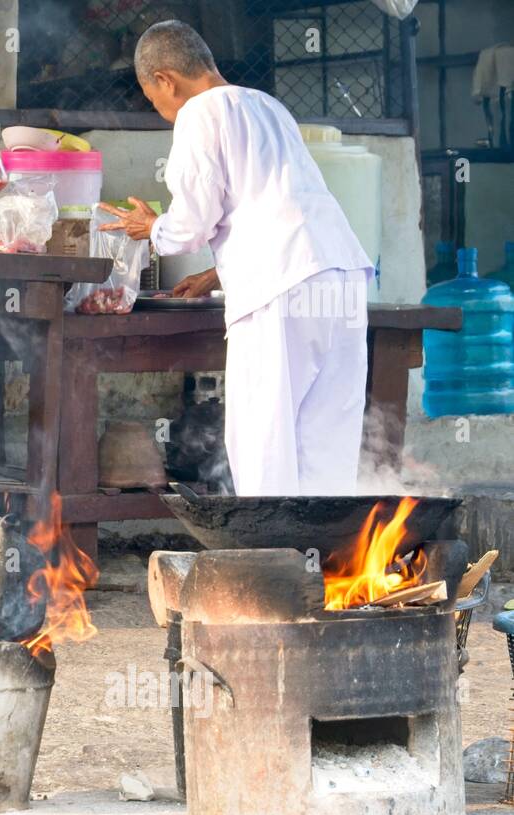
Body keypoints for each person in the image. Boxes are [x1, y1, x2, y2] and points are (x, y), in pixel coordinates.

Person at [99, 20, 374, 497]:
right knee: (327, 438)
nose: (161, 111)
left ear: (165, 79)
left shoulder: (200, 113)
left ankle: (269, 559)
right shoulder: (269, 106)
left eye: (152, 98)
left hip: (279, 289)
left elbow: (191, 225)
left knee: (263, 437)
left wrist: (149, 227)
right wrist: (215, 273)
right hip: (339, 273)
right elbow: (276, 202)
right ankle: (322, 557)